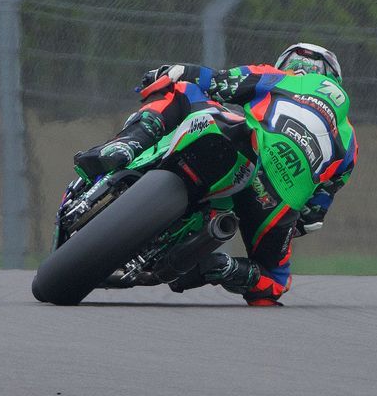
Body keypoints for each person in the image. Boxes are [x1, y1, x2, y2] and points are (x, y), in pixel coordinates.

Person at [68, 42, 355, 306]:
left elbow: (216, 82)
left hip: (248, 142)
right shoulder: (350, 144)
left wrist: (173, 71)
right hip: (275, 203)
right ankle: (222, 268)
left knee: (181, 89)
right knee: (274, 282)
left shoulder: (277, 77)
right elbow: (314, 215)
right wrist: (288, 223)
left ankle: (126, 145)